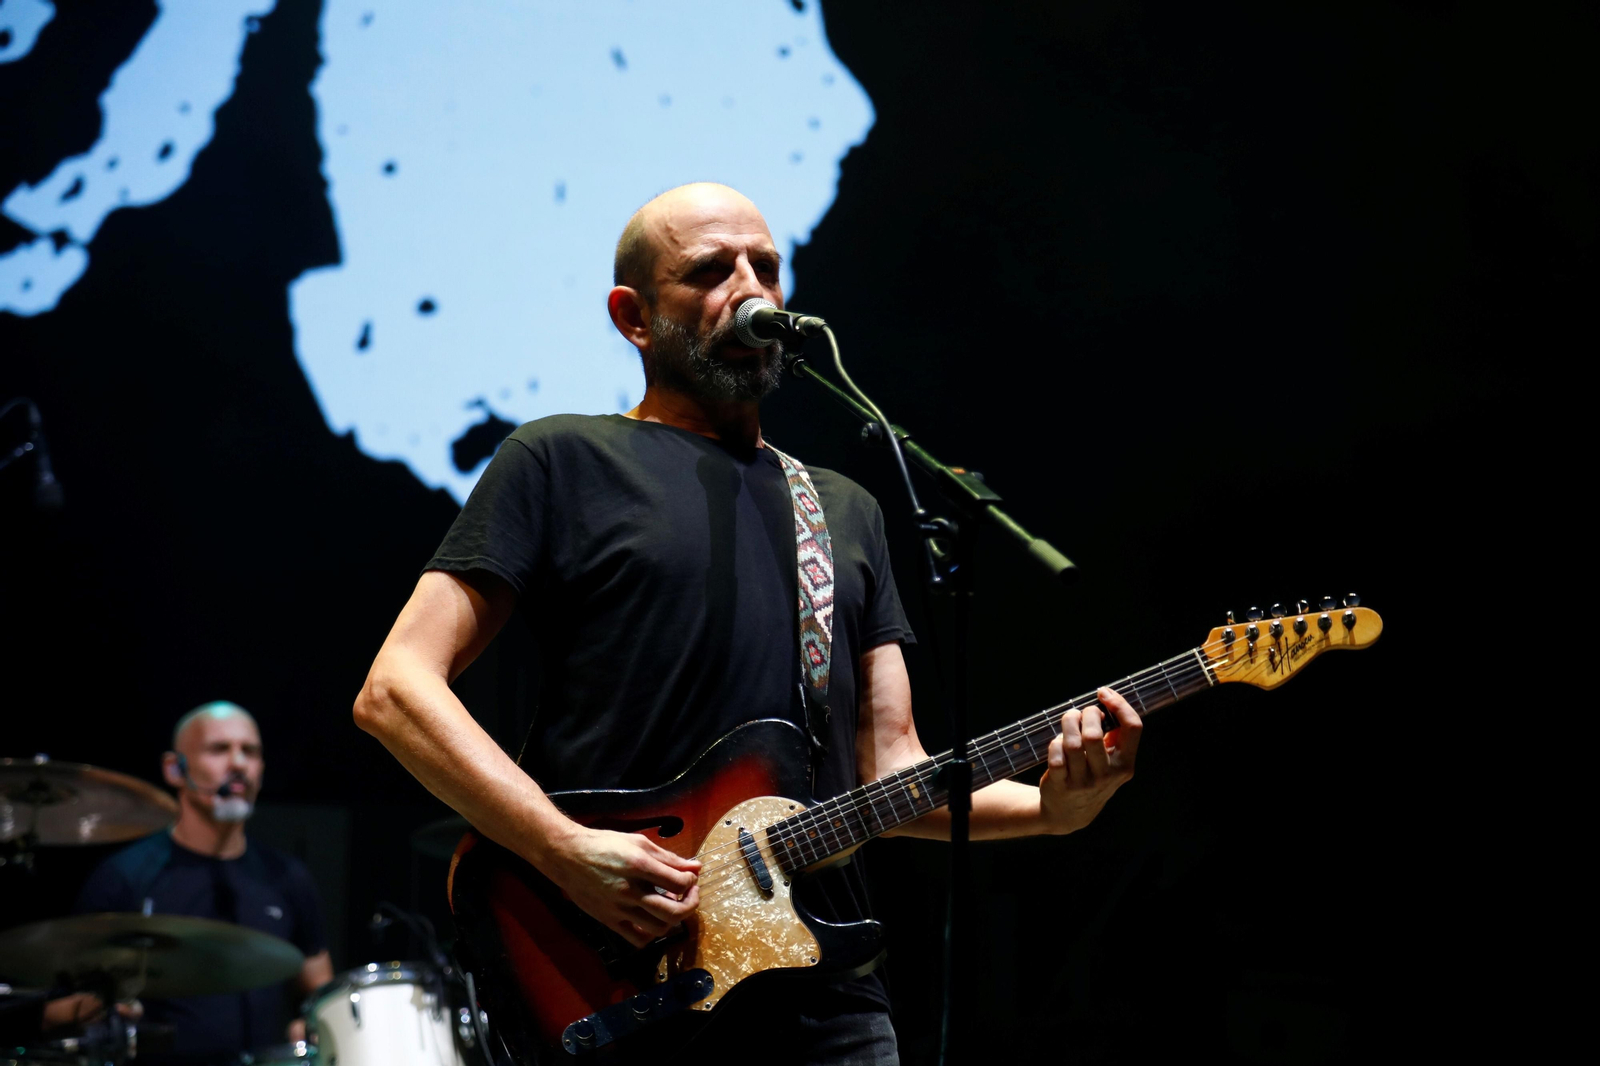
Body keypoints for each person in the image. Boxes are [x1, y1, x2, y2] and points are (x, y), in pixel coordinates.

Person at [352, 182, 1143, 1064]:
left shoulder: (842, 508)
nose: (751, 287)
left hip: (826, 986)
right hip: (627, 973)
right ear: (635, 317)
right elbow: (396, 690)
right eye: (710, 270)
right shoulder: (561, 459)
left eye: (765, 264)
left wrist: (1053, 811)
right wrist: (566, 849)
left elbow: (895, 773)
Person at [75, 702, 333, 1065]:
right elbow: (75, 1003)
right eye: (219, 749)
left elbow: (320, 990)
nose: (238, 764)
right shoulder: (125, 877)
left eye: (250, 751)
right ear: (174, 768)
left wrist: (309, 1024)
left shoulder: (287, 877)